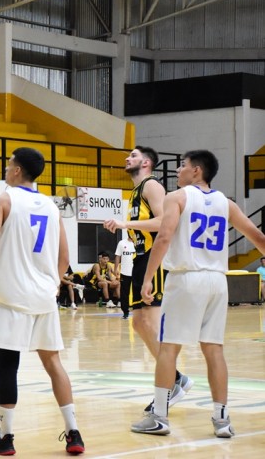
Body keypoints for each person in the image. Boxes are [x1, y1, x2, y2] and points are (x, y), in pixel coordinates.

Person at [0, 148, 85, 455]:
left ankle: (6, 437)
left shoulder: (3, 200)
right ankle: (74, 433)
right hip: (44, 296)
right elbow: (65, 256)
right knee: (53, 363)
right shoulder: (52, 206)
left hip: (13, 296)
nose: (5, 168)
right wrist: (53, 283)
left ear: (17, 170)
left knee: (8, 365)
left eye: (8, 164)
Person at [131, 150, 265, 438]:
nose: (177, 170)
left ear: (197, 171)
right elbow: (259, 238)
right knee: (214, 350)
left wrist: (149, 277)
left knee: (169, 348)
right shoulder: (226, 203)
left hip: (186, 278)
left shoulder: (177, 197)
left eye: (183, 165)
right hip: (217, 281)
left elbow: (164, 237)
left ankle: (159, 417)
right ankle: (222, 420)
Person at [103, 146, 192, 410]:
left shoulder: (152, 186)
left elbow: (165, 222)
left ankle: (169, 386)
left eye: (133, 155)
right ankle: (176, 377)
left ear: (147, 163)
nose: (127, 158)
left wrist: (125, 225)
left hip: (157, 258)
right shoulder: (135, 192)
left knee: (151, 323)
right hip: (141, 258)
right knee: (139, 323)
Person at [114, 233, 136, 319]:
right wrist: (116, 269)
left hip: (136, 272)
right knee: (124, 293)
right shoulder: (122, 243)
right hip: (125, 272)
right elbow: (118, 256)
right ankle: (125, 312)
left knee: (137, 292)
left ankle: (138, 310)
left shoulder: (139, 243)